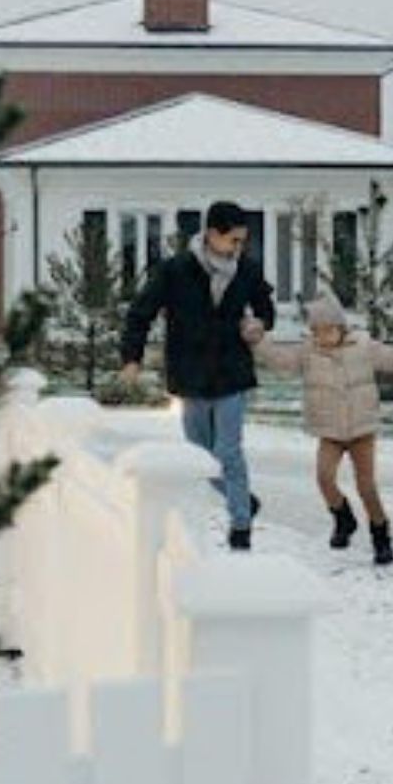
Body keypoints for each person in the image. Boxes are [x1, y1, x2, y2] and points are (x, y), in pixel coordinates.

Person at [121, 201, 276, 550]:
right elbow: (140, 313)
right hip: (190, 373)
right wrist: (132, 358)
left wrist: (259, 323)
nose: (239, 248)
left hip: (232, 371)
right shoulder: (176, 270)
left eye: (242, 241)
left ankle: (240, 526)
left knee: (228, 450)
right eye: (233, 240)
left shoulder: (247, 271)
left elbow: (265, 307)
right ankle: (244, 499)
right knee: (200, 456)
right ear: (211, 234)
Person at [242, 293, 393, 565]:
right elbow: (281, 361)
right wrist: (259, 342)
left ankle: (381, 536)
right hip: (330, 431)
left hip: (361, 429)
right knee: (324, 478)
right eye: (317, 332)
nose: (324, 337)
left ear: (341, 326)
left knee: (366, 487)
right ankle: (343, 518)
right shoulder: (308, 351)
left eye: (329, 330)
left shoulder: (363, 346)